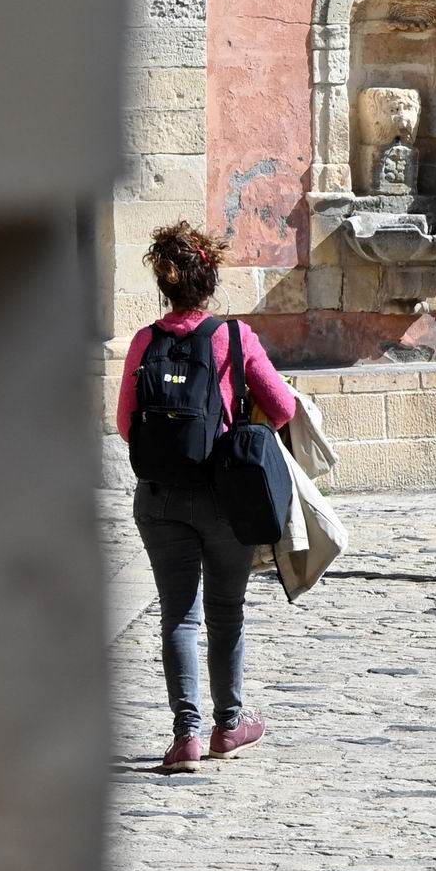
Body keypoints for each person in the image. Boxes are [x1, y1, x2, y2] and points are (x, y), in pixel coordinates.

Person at [117, 221, 299, 774]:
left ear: (165, 286)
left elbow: (127, 424)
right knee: (226, 612)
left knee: (178, 615)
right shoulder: (232, 338)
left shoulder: (145, 340)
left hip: (159, 499)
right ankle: (228, 726)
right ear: (210, 280)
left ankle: (184, 737)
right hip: (223, 498)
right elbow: (284, 407)